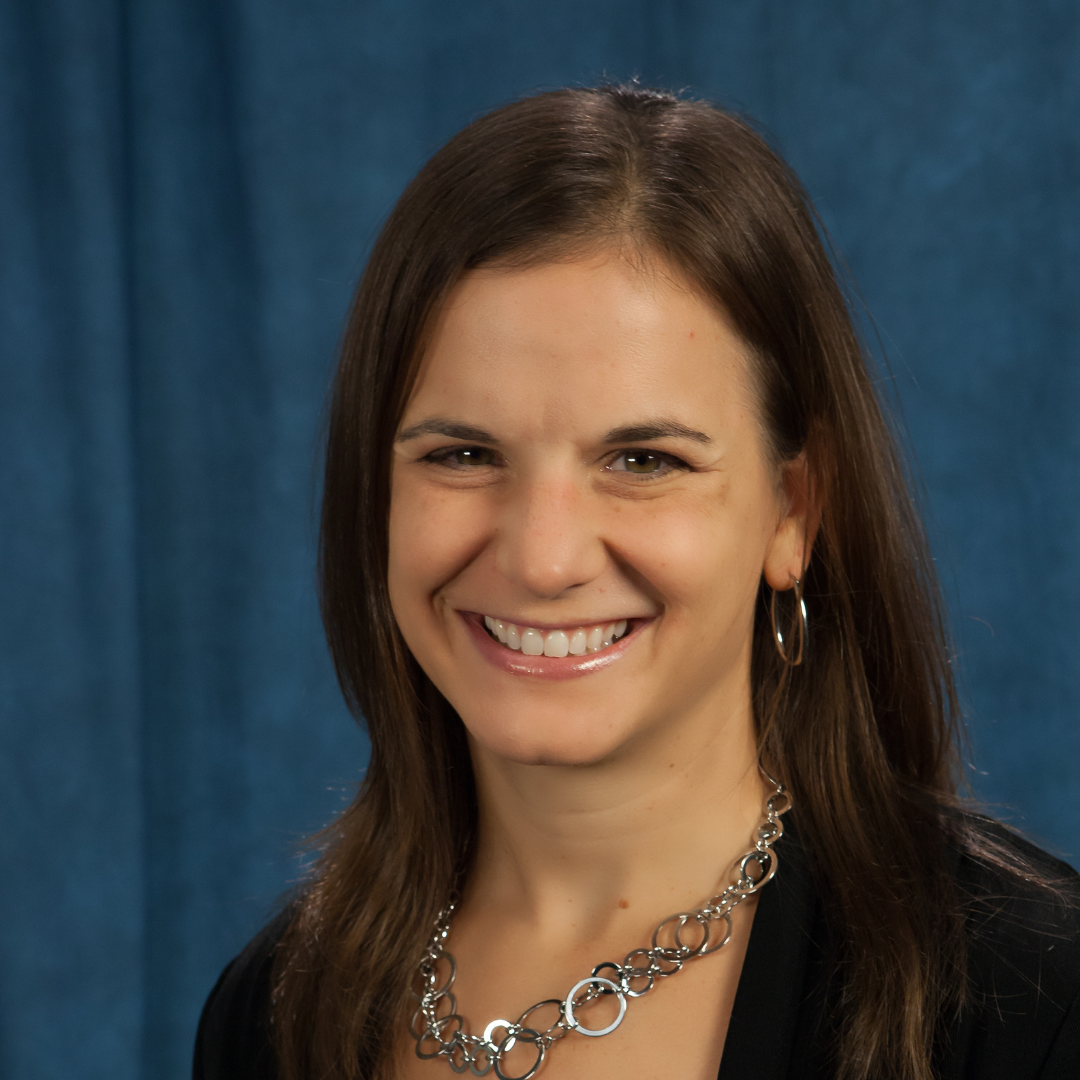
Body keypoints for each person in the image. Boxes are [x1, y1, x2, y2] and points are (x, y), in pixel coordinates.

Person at [193, 85, 1079, 1080]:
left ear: (795, 512)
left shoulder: (1036, 1002)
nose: (544, 557)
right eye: (463, 454)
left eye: (644, 460)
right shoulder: (271, 1016)